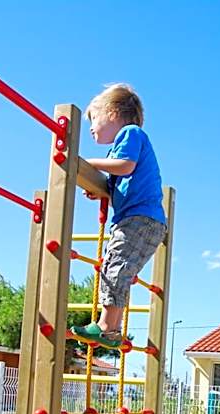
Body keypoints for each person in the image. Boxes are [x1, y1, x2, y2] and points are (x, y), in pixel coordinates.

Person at [70, 84, 166, 349]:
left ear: (112, 112)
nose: (91, 127)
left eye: (94, 118)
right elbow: (127, 184)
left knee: (114, 267)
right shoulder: (120, 147)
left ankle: (106, 326)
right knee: (117, 268)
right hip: (142, 218)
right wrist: (105, 193)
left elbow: (126, 167)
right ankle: (110, 329)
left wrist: (88, 164)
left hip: (139, 219)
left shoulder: (130, 133)